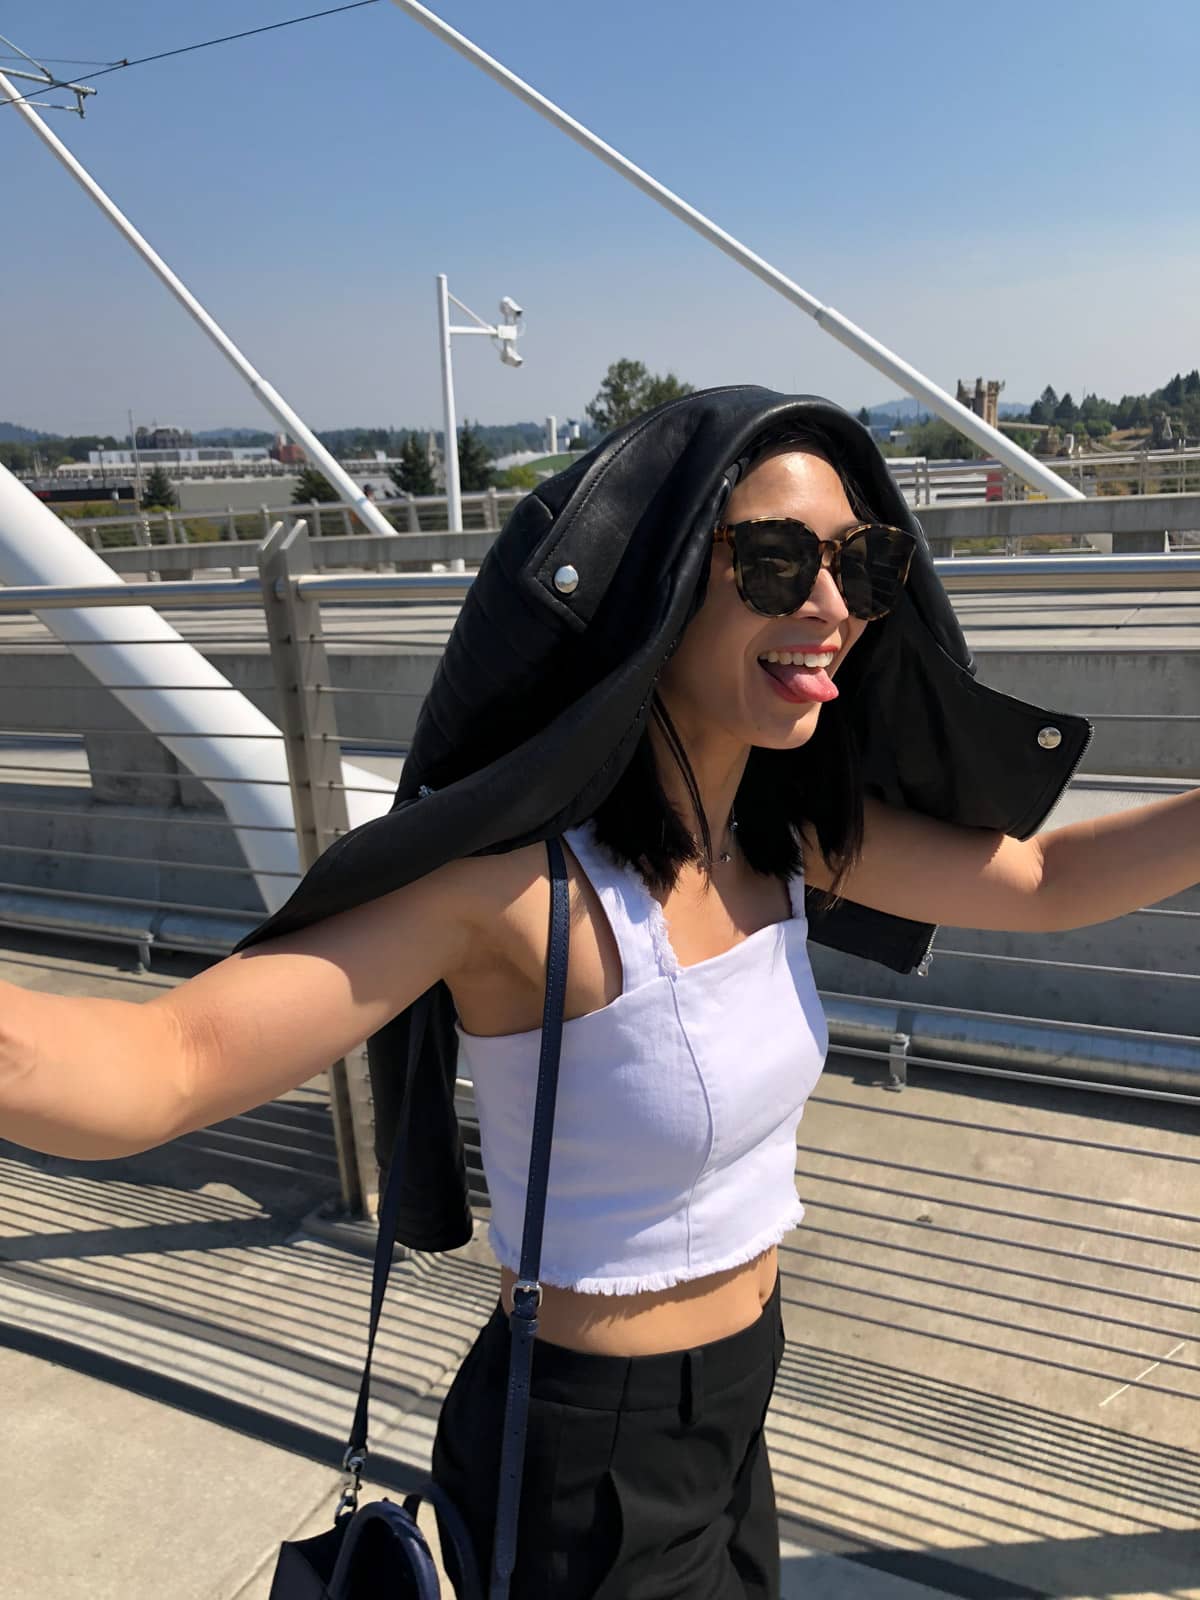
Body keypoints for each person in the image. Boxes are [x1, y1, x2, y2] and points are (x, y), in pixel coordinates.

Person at [1, 390, 1196, 1600]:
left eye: (863, 562)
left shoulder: (787, 840)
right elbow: (169, 1067)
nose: (832, 607)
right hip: (591, 1460)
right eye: (777, 561)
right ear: (667, 583)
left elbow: (1048, 878)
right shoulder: (524, 894)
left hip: (741, 1395)